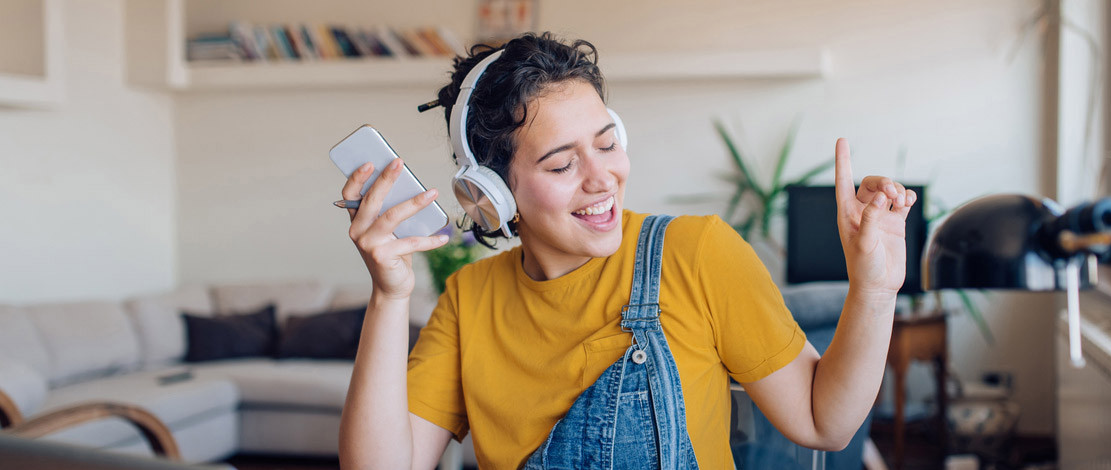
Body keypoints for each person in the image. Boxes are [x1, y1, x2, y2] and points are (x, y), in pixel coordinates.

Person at [337, 32, 916, 469]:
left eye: (608, 144)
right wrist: (389, 296)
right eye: (562, 163)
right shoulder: (469, 301)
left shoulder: (697, 253)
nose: (601, 178)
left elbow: (824, 424)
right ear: (491, 193)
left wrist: (875, 288)